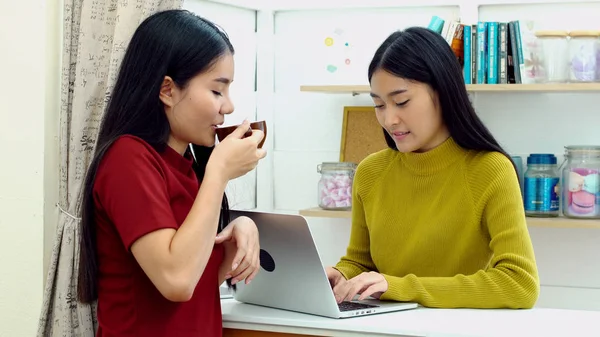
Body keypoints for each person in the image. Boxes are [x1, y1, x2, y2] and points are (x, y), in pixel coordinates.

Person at [76, 10, 266, 336]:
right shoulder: (128, 159)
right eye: (217, 91)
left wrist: (239, 232)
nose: (229, 106)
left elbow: (194, 275)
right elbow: (176, 281)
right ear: (167, 90)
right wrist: (218, 171)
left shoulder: (186, 167)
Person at [325, 27, 540, 309]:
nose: (389, 119)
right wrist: (340, 276)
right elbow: (361, 261)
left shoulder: (490, 170)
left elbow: (519, 284)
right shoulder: (369, 172)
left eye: (402, 102)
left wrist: (403, 287)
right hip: (384, 329)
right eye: (378, 104)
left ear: (443, 91)